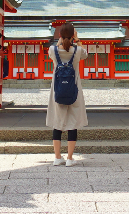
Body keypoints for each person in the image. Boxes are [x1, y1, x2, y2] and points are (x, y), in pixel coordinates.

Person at [46, 22, 88, 167]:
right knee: (72, 124)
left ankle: (57, 157)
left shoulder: (52, 50)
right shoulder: (77, 51)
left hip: (58, 91)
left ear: (59, 35)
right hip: (74, 90)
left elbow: (56, 48)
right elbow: (85, 54)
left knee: (58, 123)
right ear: (73, 35)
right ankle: (70, 158)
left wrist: (60, 41)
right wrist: (77, 40)